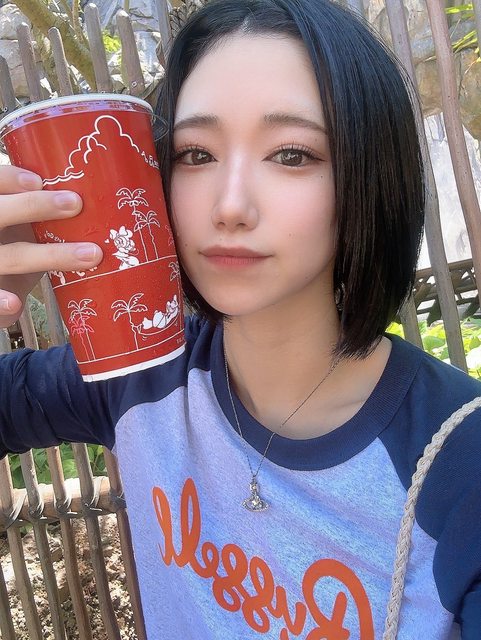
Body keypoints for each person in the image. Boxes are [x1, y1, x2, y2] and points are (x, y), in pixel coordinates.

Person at [0, 0, 480, 637]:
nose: (229, 206)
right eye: (197, 154)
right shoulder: (140, 375)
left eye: (291, 154)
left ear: (371, 174)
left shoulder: (461, 463)